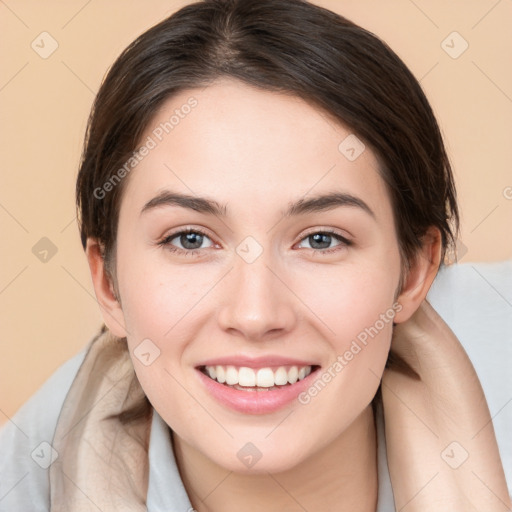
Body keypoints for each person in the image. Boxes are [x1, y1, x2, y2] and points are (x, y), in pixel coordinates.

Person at [1, 0, 510, 510]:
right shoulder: (25, 480)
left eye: (321, 239)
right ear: (108, 284)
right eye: (190, 239)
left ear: (413, 274)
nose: (255, 314)